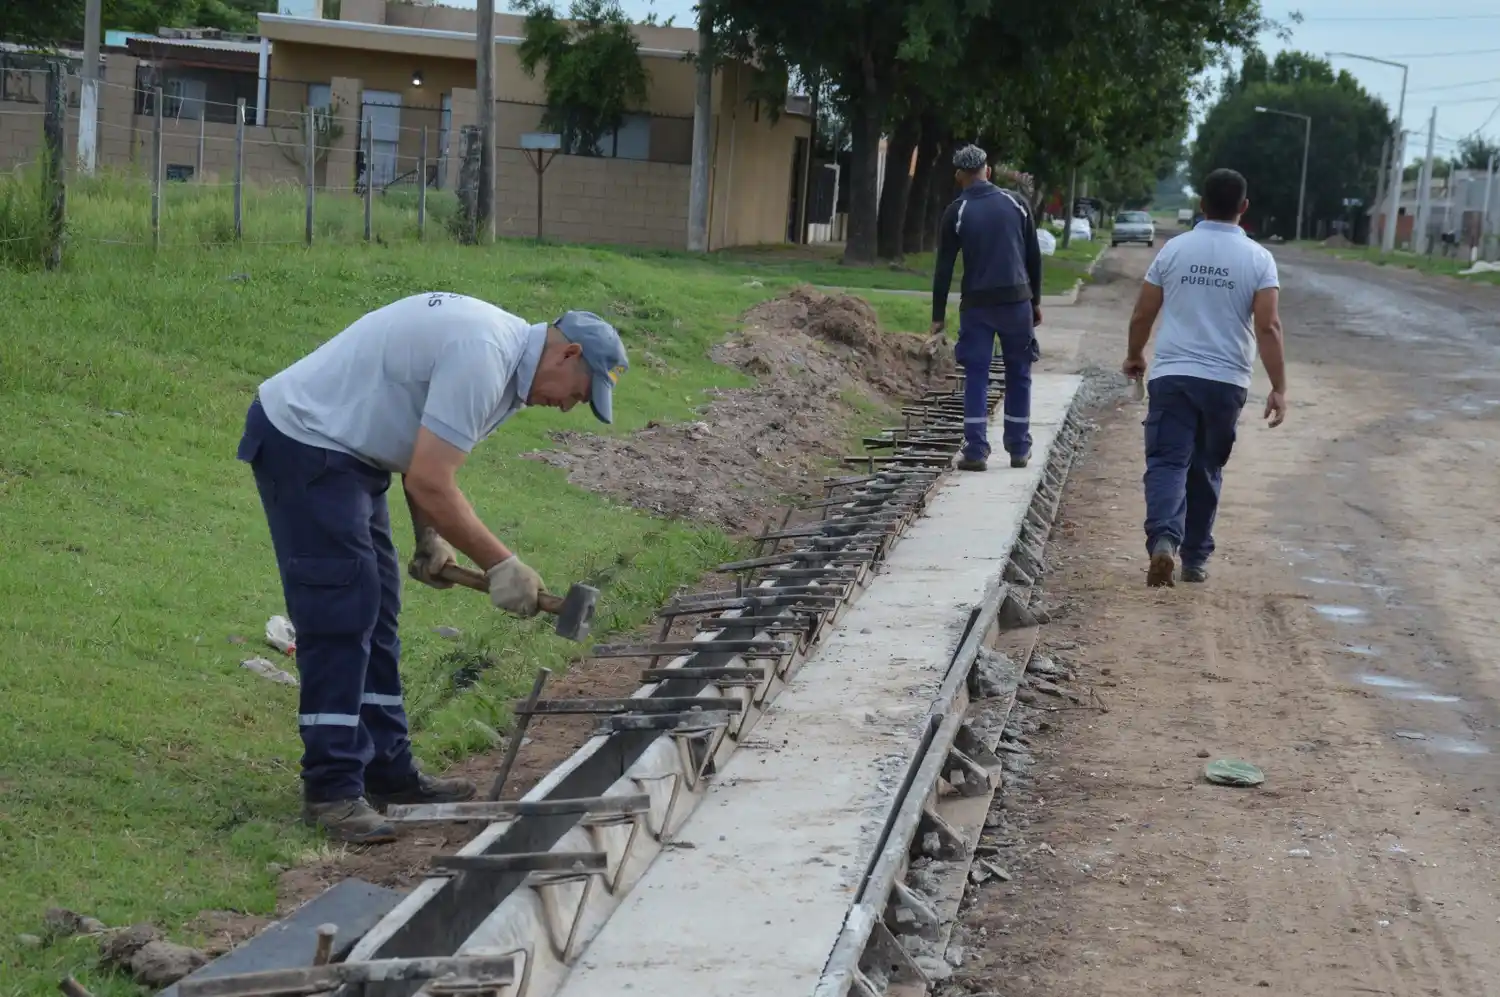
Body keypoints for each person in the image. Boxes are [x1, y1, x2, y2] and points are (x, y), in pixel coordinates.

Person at [235, 293, 628, 843]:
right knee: (342, 610)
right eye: (579, 395)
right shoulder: (484, 355)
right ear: (569, 356)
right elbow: (429, 480)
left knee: (379, 607)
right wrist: (501, 565)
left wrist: (429, 539)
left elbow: (424, 456)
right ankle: (332, 790)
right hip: (306, 440)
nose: (567, 408)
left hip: (354, 454)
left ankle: (387, 771)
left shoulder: (507, 374)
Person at [1122, 168, 1286, 588]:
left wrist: (1135, 354)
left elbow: (1143, 312)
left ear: (1201, 204)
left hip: (1174, 375)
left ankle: (1163, 540)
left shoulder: (1174, 251)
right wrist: (1278, 387)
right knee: (1206, 466)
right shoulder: (1258, 259)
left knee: (1167, 461)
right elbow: (1268, 327)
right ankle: (1194, 558)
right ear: (1244, 208)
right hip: (1226, 381)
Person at [930, 144, 1044, 472]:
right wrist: (1035, 301)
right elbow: (1033, 256)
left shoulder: (957, 211)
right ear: (988, 171)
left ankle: (976, 450)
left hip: (977, 307)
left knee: (977, 374)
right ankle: (1019, 448)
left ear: (958, 176)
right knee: (1019, 373)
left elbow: (944, 268)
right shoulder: (1017, 203)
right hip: (1016, 302)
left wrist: (938, 317)